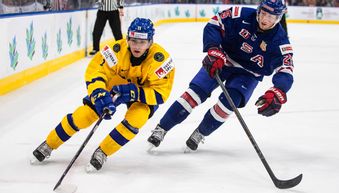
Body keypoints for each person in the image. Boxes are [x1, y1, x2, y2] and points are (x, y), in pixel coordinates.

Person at [31, 18, 175, 172]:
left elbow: (160, 94)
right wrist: (99, 92)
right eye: (133, 41)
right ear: (127, 39)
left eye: (142, 42)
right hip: (115, 84)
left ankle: (103, 152)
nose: (137, 46)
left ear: (150, 42)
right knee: (84, 115)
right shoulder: (115, 50)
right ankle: (49, 144)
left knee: (137, 118)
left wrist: (134, 92)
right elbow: (96, 72)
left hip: (142, 93)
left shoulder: (162, 60)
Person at [147, 0, 294, 151]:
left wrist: (278, 91)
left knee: (227, 105)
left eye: (271, 17)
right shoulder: (240, 14)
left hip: (248, 74)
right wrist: (213, 49)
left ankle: (200, 132)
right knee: (194, 94)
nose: (265, 20)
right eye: (263, 13)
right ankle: (162, 128)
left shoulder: (281, 42)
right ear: (259, 10)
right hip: (222, 59)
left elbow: (286, 69)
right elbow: (215, 23)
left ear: (279, 18)